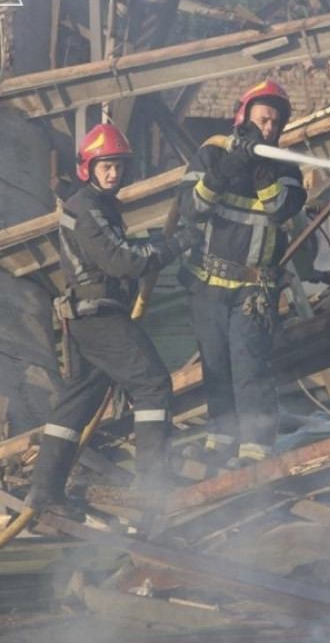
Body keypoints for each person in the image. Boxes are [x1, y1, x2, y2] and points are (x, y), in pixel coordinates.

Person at [27, 124, 202, 517]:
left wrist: (160, 243)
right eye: (106, 166)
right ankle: (152, 485)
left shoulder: (96, 206)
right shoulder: (88, 210)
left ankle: (44, 491)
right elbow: (123, 261)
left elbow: (122, 248)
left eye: (119, 166)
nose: (114, 173)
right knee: (153, 384)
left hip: (88, 318)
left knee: (77, 403)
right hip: (100, 317)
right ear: (88, 168)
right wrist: (179, 243)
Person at [177, 80, 307, 468]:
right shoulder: (211, 153)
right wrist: (226, 169)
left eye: (275, 123)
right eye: (263, 120)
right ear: (243, 117)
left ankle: (255, 449)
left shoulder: (284, 167)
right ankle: (221, 440)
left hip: (253, 290)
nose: (269, 128)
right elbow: (190, 208)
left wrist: (259, 168)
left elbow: (280, 209)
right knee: (215, 365)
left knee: (249, 367)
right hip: (207, 285)